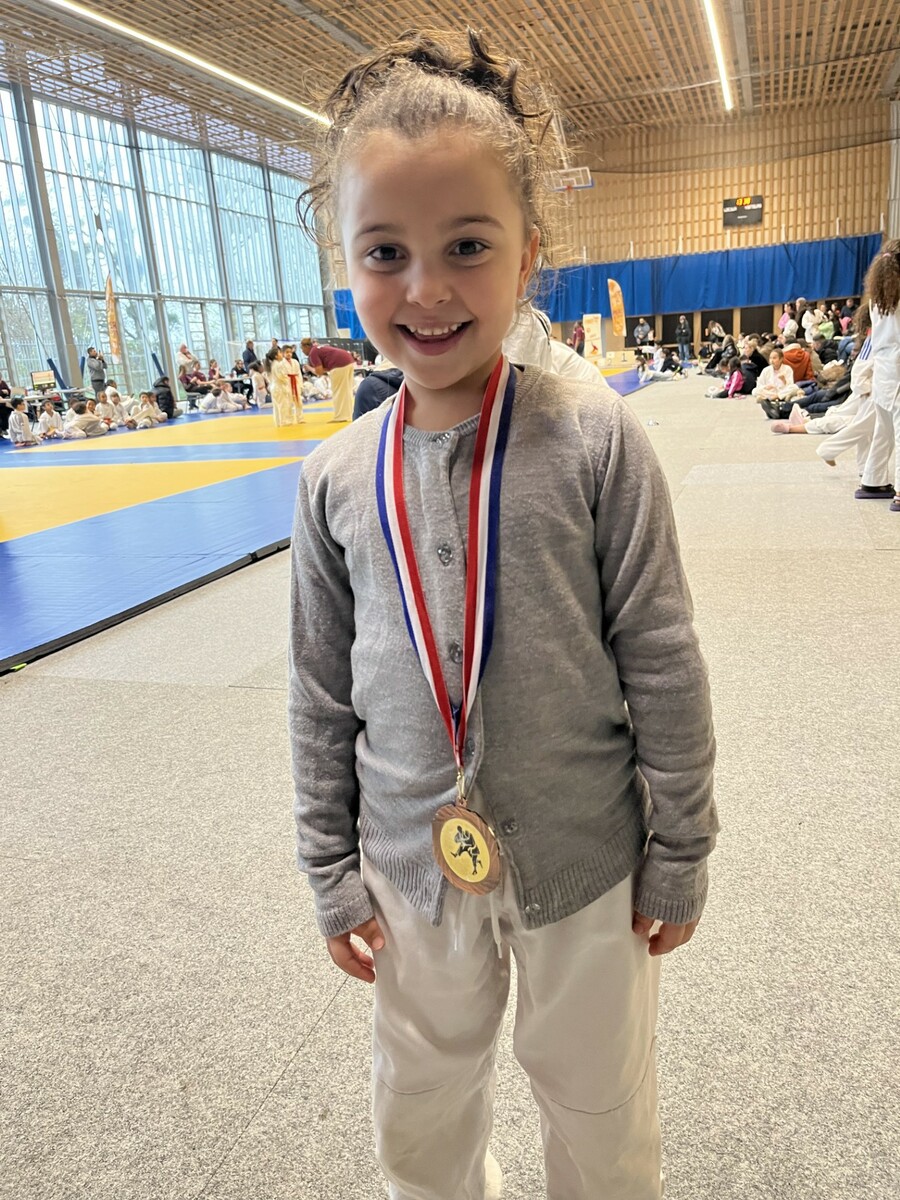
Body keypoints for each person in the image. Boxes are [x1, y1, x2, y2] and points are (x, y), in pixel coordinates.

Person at [290, 29, 716, 1200]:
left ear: (528, 253)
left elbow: (663, 657)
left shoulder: (594, 438)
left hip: (585, 858)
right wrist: (329, 865)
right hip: (408, 865)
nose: (426, 289)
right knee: (420, 1109)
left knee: (599, 1104)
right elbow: (320, 695)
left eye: (467, 247)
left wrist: (681, 846)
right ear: (344, 260)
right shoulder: (335, 479)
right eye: (386, 252)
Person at [857, 242, 900, 506]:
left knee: (884, 430)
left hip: (883, 372)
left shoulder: (877, 300)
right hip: (897, 370)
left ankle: (872, 481)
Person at [301, 337, 356, 422]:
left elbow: (319, 372)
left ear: (306, 346)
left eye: (302, 348)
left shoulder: (313, 353)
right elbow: (324, 368)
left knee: (338, 392)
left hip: (339, 365)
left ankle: (340, 417)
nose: (302, 351)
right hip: (348, 361)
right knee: (346, 391)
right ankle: (348, 415)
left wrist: (309, 368)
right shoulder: (318, 348)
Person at [266, 345, 295, 426]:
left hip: (274, 386)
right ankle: (284, 421)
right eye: (279, 353)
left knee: (276, 406)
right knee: (283, 404)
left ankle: (278, 421)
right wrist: (286, 379)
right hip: (279, 386)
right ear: (276, 356)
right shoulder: (278, 365)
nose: (281, 354)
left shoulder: (272, 365)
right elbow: (281, 376)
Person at [283, 345, 305, 423]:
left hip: (296, 381)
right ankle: (289, 419)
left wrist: (301, 384)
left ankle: (300, 418)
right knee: (288, 402)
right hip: (287, 382)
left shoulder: (295, 362)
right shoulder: (281, 363)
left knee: (299, 401)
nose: (289, 354)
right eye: (287, 352)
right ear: (283, 353)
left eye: (290, 352)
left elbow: (299, 373)